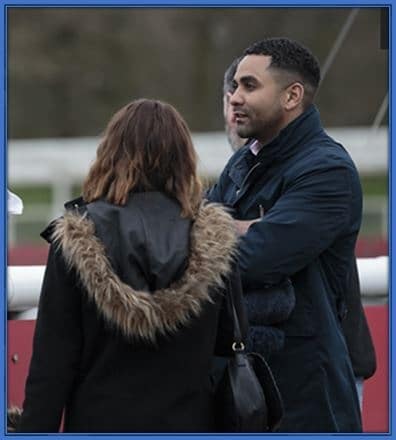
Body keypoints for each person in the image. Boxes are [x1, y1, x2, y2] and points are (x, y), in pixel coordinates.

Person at [16, 98, 247, 433]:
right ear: (184, 159)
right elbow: (232, 339)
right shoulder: (213, 238)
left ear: (110, 153)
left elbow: (52, 366)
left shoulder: (77, 236)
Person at [207, 37, 363, 432]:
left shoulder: (328, 171)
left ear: (292, 96)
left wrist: (226, 228)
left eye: (249, 86)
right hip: (245, 389)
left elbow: (252, 259)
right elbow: (198, 226)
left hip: (306, 397)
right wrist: (245, 225)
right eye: (234, 86)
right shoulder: (244, 161)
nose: (235, 97)